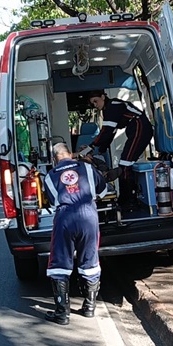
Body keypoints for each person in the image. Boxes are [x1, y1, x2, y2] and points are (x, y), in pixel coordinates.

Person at [42, 142, 107, 325]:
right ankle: (89, 307)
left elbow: (53, 202)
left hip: (65, 218)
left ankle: (62, 314)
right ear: (70, 154)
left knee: (60, 263)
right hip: (89, 216)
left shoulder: (50, 176)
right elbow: (102, 191)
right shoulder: (87, 167)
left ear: (55, 159)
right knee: (90, 260)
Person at [86, 89, 154, 210]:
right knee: (125, 163)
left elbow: (107, 130)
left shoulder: (112, 106)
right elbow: (111, 132)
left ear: (103, 97)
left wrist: (92, 145)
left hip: (140, 127)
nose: (95, 105)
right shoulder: (110, 109)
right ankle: (127, 198)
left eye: (96, 101)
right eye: (93, 104)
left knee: (125, 164)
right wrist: (102, 148)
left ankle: (129, 201)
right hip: (136, 128)